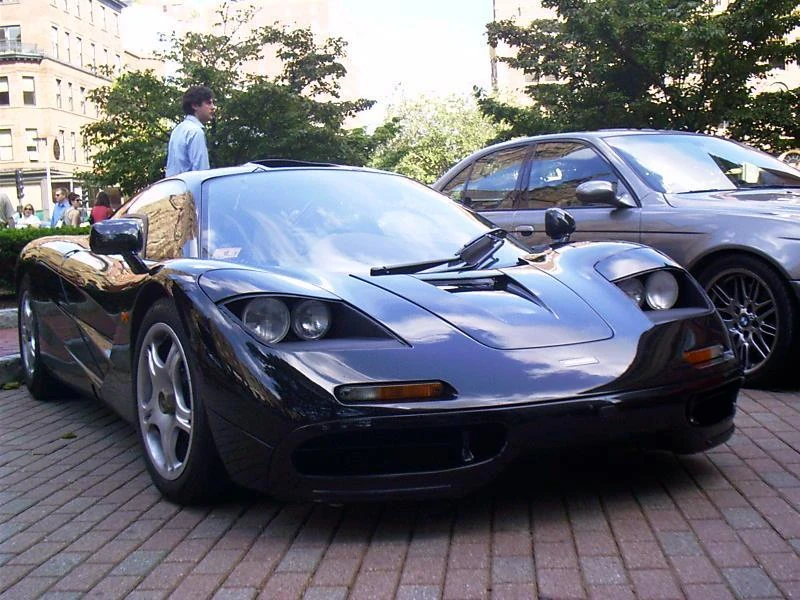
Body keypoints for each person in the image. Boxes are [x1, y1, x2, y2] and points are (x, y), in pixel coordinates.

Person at [165, 85, 216, 177]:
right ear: (195, 105)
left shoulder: (178, 130)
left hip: (173, 184)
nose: (213, 107)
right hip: (190, 185)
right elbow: (201, 172)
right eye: (208, 103)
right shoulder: (195, 132)